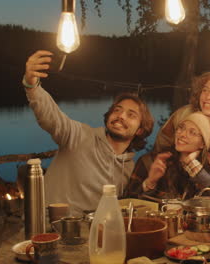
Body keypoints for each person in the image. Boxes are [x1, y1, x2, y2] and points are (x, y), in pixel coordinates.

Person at [23, 50, 154, 215]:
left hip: (91, 234)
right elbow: (50, 116)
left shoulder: (130, 168)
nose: (120, 116)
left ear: (140, 130)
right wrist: (31, 84)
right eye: (117, 110)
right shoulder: (79, 136)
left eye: (131, 115)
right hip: (49, 227)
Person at [125, 112, 210, 199]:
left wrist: (192, 165)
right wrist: (150, 182)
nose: (182, 134)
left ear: (203, 144)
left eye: (192, 132)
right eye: (181, 128)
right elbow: (127, 201)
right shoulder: (150, 161)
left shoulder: (208, 168)